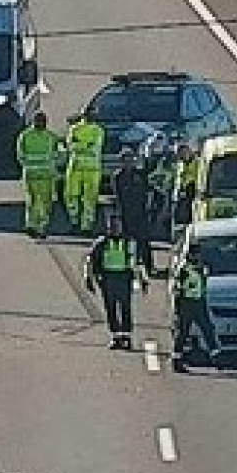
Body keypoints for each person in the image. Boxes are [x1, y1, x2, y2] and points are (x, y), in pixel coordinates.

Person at [83, 218, 146, 349]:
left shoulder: (129, 242)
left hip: (124, 278)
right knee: (110, 308)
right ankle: (116, 337)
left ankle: (126, 337)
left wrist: (142, 279)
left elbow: (137, 261)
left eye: (117, 226)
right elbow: (90, 260)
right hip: (107, 278)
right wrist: (88, 278)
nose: (115, 229)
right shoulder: (101, 243)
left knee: (125, 308)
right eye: (112, 227)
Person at [170, 242, 220, 372]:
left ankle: (216, 356)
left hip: (199, 302)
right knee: (183, 333)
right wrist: (178, 307)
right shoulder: (184, 269)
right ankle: (176, 359)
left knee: (207, 328)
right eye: (195, 254)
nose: (198, 256)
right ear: (190, 255)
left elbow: (202, 285)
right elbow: (177, 288)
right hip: (186, 303)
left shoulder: (201, 268)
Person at [111, 147, 158, 276]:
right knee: (124, 242)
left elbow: (148, 190)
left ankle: (148, 267)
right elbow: (118, 196)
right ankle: (125, 266)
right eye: (125, 160)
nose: (128, 162)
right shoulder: (118, 177)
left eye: (130, 159)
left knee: (143, 241)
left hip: (140, 212)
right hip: (125, 213)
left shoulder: (140, 174)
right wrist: (118, 215)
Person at [15, 112, 58, 238]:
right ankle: (38, 227)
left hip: (35, 174)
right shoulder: (49, 136)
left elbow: (20, 155)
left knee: (35, 201)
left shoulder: (25, 135)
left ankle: (33, 226)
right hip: (43, 175)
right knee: (41, 202)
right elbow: (59, 154)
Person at [64, 110, 106, 232]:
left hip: (92, 170)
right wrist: (85, 145)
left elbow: (95, 148)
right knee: (71, 196)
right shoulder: (74, 129)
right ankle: (74, 221)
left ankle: (86, 226)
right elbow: (71, 146)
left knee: (90, 199)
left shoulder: (98, 130)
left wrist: (80, 145)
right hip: (75, 168)